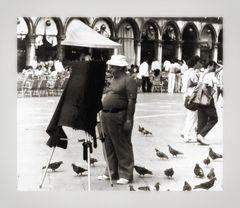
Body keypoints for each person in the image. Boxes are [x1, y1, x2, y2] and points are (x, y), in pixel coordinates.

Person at [98, 55, 138, 185]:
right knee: (108, 145)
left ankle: (126, 173)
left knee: (122, 145)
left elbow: (131, 102)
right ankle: (111, 171)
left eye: (113, 67)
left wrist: (128, 120)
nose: (110, 69)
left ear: (121, 68)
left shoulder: (129, 80)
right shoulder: (112, 79)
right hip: (106, 115)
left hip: (119, 115)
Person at [196, 60, 219, 145]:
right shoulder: (210, 75)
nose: (215, 68)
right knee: (214, 118)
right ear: (209, 66)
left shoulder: (203, 73)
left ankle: (199, 136)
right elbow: (204, 88)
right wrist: (209, 97)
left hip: (199, 98)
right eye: (214, 66)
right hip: (206, 98)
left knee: (202, 118)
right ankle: (201, 135)